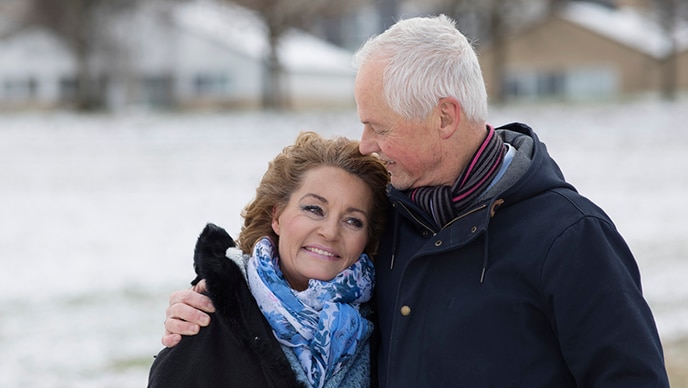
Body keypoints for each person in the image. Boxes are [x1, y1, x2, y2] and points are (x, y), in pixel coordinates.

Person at [162, 15, 670, 387]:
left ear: (445, 117)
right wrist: (209, 303)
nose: (365, 144)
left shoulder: (569, 238)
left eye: (378, 126)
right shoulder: (389, 222)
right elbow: (296, 283)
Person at [149, 131, 389, 387]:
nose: (330, 232)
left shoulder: (387, 320)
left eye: (353, 220)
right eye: (314, 209)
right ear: (276, 217)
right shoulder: (210, 315)